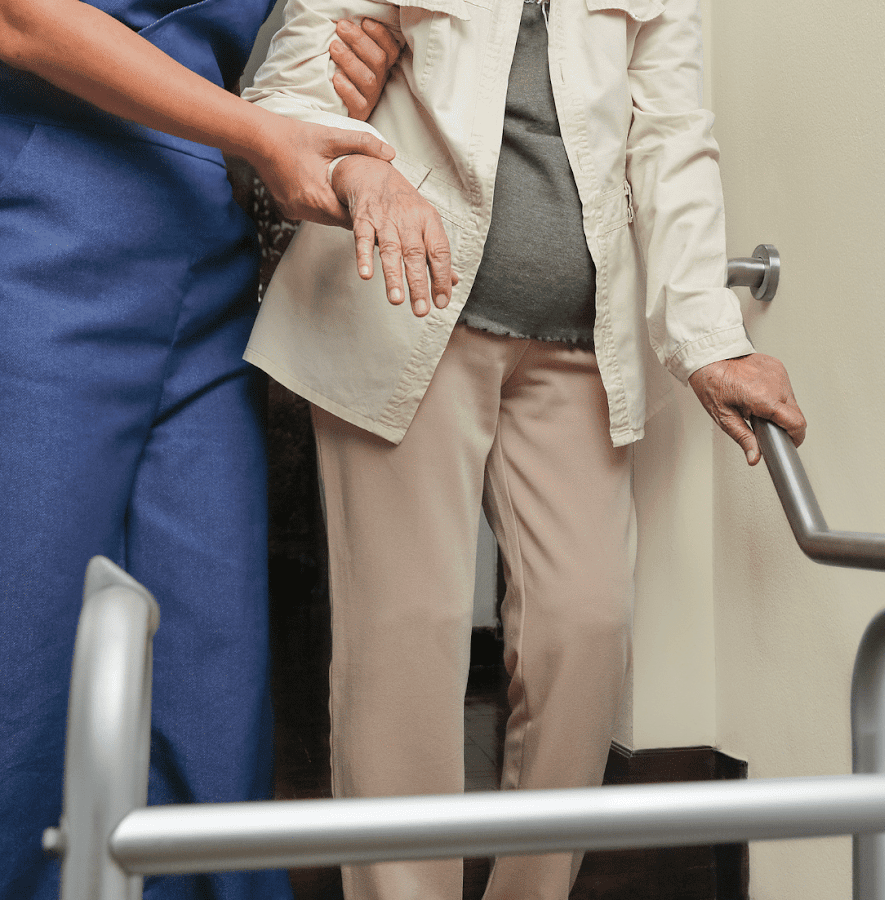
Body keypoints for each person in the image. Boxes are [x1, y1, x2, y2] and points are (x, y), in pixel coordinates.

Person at [242, 1, 807, 898]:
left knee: (586, 630)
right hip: (402, 304)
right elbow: (291, 88)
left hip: (581, 347)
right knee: (404, 647)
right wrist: (355, 169)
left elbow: (672, 140)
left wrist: (711, 339)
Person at [0, 4, 418, 899]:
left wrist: (349, 48)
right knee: (20, 687)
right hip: (40, 230)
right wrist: (263, 134)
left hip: (202, 250)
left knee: (215, 696)